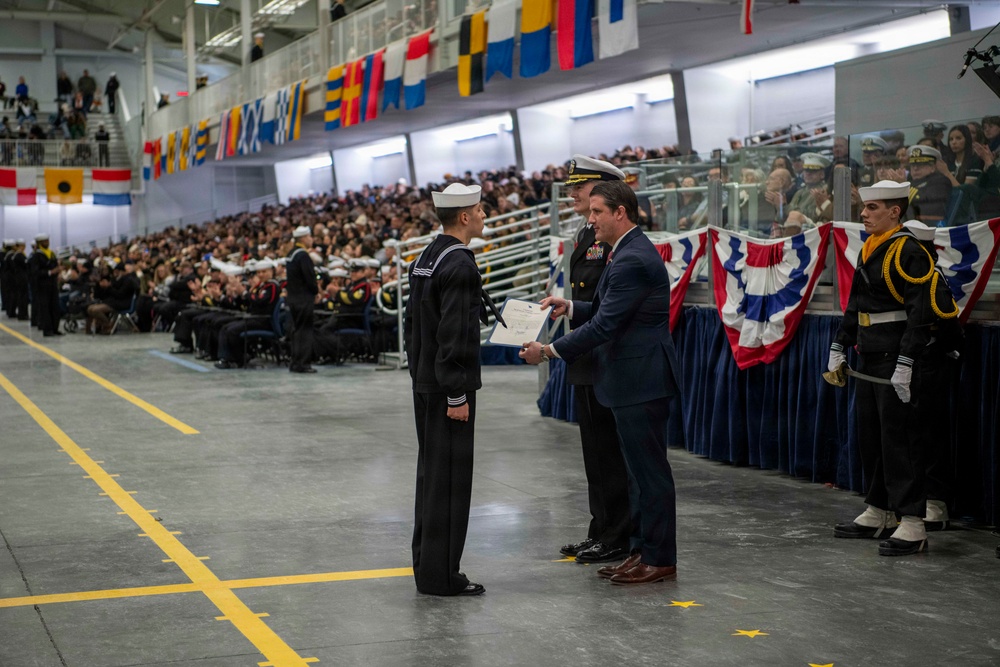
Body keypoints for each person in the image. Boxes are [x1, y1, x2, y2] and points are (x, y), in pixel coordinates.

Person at [521, 180, 681, 586]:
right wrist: (572, 305)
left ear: (620, 213)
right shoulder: (625, 252)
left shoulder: (630, 258)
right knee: (637, 476)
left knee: (650, 476)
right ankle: (643, 550)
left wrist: (549, 351)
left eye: (597, 212)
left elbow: (607, 324)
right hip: (633, 378)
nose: (590, 220)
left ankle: (659, 558)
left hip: (640, 379)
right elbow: (609, 308)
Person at [826, 180, 946, 557]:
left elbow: (921, 314)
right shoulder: (871, 247)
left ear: (895, 212)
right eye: (865, 208)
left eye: (873, 207)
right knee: (872, 437)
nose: (864, 214)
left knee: (901, 441)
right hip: (869, 352)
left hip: (896, 356)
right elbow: (856, 303)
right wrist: (838, 345)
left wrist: (907, 361)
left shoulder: (909, 251)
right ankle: (880, 509)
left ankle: (911, 521)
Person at [404, 182, 493, 597]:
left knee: (432, 477)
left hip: (426, 382)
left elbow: (415, 330)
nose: (483, 216)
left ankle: (428, 567)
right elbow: (455, 335)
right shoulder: (458, 264)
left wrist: (424, 380)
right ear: (463, 216)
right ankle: (442, 576)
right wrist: (457, 395)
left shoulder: (426, 256)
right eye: (478, 210)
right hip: (447, 389)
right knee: (451, 483)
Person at [556, 155, 632, 566]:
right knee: (594, 452)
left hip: (605, 352)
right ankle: (601, 528)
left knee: (609, 451)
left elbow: (608, 306)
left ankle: (618, 534)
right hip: (587, 350)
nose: (572, 194)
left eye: (580, 187)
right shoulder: (589, 232)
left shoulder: (617, 237)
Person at [285, 226, 319, 373]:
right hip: (304, 298)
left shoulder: (291, 254)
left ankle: (295, 361)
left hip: (293, 297)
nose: (311, 239)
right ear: (304, 238)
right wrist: (316, 291)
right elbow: (309, 277)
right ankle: (303, 363)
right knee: (305, 331)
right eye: (309, 237)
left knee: (297, 330)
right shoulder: (302, 255)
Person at [906, 145, 952, 224]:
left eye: (920, 164)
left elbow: (929, 204)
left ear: (933, 168)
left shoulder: (940, 181)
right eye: (913, 165)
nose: (915, 168)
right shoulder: (910, 182)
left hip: (929, 225)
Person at [27, 234, 63, 337]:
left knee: (55, 307)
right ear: (40, 243)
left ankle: (55, 328)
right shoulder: (36, 256)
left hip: (52, 284)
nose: (47, 242)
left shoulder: (51, 253)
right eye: (44, 241)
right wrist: (50, 272)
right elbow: (36, 272)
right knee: (45, 308)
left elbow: (55, 266)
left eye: (47, 240)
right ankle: (47, 330)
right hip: (42, 285)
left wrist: (58, 272)